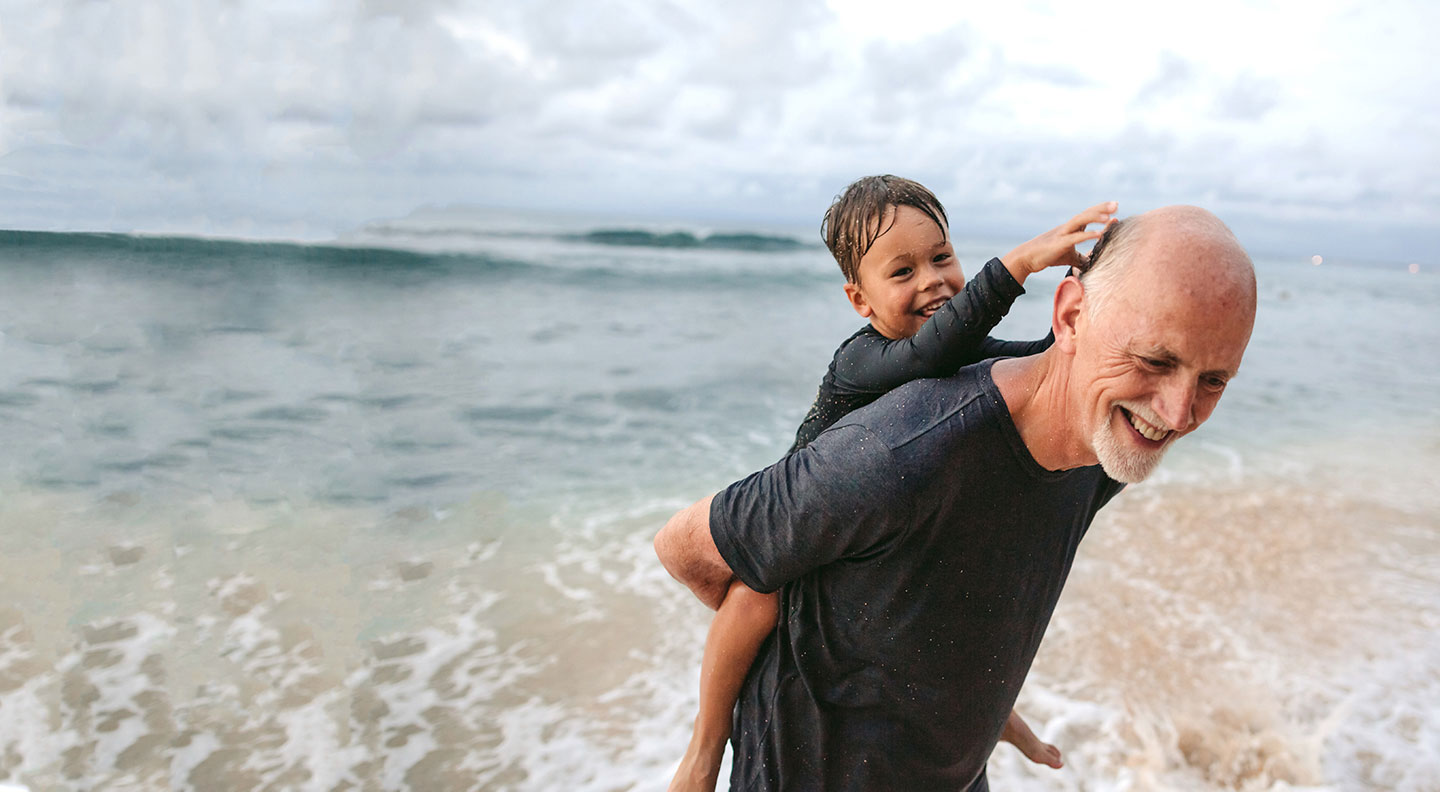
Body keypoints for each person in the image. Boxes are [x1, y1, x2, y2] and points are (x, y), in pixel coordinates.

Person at [655, 204, 1257, 791]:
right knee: (756, 594)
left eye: (1213, 380)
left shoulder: (1106, 441)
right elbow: (683, 547)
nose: (1178, 413)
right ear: (1073, 318)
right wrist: (803, 632)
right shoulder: (894, 449)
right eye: (1155, 360)